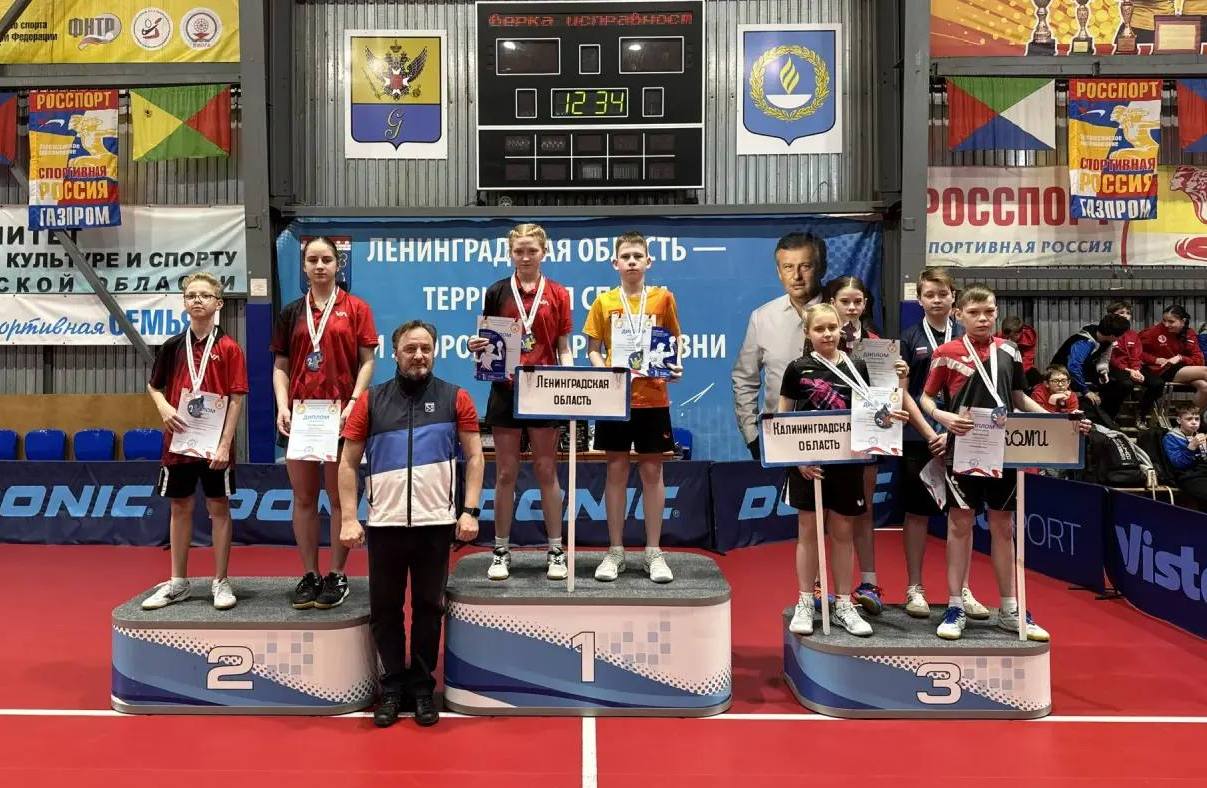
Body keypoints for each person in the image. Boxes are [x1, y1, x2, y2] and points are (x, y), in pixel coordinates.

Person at [921, 284, 1091, 642]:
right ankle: (955, 605)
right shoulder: (945, 352)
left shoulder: (1009, 350)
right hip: (963, 446)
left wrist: (1058, 422)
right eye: (974, 313)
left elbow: (1019, 398)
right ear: (959, 315)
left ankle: (1010, 609)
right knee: (960, 524)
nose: (983, 319)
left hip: (1004, 448)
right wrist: (942, 416)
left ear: (996, 312)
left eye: (989, 312)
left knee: (1003, 526)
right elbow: (926, 398)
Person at [337, 320, 483, 729]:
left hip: (436, 523)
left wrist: (470, 510)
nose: (418, 355)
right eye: (410, 349)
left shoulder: (456, 397)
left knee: (428, 609)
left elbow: (475, 457)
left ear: (434, 352)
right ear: (395, 353)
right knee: (385, 610)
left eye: (425, 349)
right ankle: (391, 688)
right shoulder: (371, 400)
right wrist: (348, 517)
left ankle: (421, 687)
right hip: (384, 524)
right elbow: (347, 463)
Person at [782, 304, 912, 637]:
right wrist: (798, 461)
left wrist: (895, 403)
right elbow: (782, 420)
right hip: (808, 465)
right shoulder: (797, 369)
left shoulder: (857, 366)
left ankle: (842, 603)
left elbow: (872, 412)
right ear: (808, 333)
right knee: (808, 534)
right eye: (819, 329)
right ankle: (805, 601)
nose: (827, 334)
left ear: (842, 329)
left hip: (847, 462)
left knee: (842, 533)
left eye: (832, 327)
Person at [272, 236, 379, 610]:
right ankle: (309, 574)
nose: (320, 266)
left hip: (340, 416)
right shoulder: (291, 313)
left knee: (338, 498)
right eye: (313, 260)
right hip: (301, 417)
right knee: (303, 497)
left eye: (327, 260)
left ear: (337, 264)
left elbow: (367, 361)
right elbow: (281, 366)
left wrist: (355, 402)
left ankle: (336, 574)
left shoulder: (357, 308)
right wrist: (282, 406)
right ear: (304, 266)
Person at [466, 223, 573, 582]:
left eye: (532, 251)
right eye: (519, 251)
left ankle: (555, 550)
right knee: (506, 473)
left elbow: (563, 347)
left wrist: (568, 380)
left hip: (543, 390)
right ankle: (500, 550)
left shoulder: (558, 293)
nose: (525, 257)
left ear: (544, 252)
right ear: (510, 253)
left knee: (546, 471)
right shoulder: (497, 291)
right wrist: (475, 346)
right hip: (505, 389)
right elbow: (488, 342)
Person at [142, 273, 248, 611]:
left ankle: (221, 580)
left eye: (204, 295)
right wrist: (163, 406)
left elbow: (236, 397)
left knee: (218, 507)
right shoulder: (172, 346)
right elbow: (153, 386)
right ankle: (178, 582)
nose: (197, 300)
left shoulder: (229, 348)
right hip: (180, 442)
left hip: (215, 445)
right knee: (179, 507)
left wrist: (225, 444)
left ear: (219, 303)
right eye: (191, 295)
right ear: (184, 303)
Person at [584, 230, 683, 583]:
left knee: (653, 472)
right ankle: (615, 551)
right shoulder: (603, 302)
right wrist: (604, 372)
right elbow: (593, 348)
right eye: (625, 257)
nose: (631, 262)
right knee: (615, 471)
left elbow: (673, 341)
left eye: (637, 256)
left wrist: (674, 366)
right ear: (615, 263)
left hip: (653, 398)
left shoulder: (663, 298)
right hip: (616, 399)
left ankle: (653, 551)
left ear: (648, 261)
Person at [896, 267, 989, 620]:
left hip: (963, 436)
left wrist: (950, 432)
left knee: (962, 515)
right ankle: (915, 587)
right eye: (929, 294)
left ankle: (962, 588)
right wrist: (930, 433)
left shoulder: (967, 338)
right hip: (920, 437)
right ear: (919, 299)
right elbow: (903, 393)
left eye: (943, 294)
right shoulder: (908, 339)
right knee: (917, 513)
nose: (936, 300)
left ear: (954, 298)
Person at [733, 232, 828, 460]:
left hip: (834, 437)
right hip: (778, 438)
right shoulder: (762, 318)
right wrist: (752, 435)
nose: (796, 276)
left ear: (822, 268)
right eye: (788, 267)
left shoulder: (842, 314)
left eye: (805, 266)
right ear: (778, 272)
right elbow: (744, 379)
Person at [823, 275, 885, 615]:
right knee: (824, 511)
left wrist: (899, 374)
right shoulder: (818, 341)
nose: (851, 308)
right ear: (832, 303)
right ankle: (819, 584)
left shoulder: (877, 343)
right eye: (844, 301)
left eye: (857, 302)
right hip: (827, 436)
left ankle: (869, 582)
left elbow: (887, 393)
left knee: (863, 509)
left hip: (866, 435)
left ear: (865, 304)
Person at [1050, 314, 1130, 424]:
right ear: (1112, 335)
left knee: (1122, 383)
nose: (1120, 338)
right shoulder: (1084, 342)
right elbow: (1073, 367)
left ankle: (1107, 419)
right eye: (1120, 335)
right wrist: (1086, 391)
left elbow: (1104, 358)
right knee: (1099, 392)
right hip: (1063, 374)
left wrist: (1103, 372)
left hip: (1084, 370)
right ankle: (1100, 420)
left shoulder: (1106, 340)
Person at [1106, 301, 1164, 424]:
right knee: (1126, 385)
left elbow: (1136, 355)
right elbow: (1111, 358)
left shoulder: (1133, 335)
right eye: (1121, 313)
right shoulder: (1107, 333)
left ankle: (1142, 412)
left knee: (1157, 383)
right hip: (1115, 368)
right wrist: (1128, 370)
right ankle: (1111, 415)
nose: (1125, 315)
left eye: (1128, 313)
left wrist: (1136, 369)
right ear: (1111, 315)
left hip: (1133, 368)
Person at [1140, 305, 1207, 410]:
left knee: (1204, 387)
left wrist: (1181, 358)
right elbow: (1136, 353)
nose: (1166, 325)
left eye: (1171, 322)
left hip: (1184, 369)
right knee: (1205, 371)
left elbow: (1199, 359)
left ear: (1183, 321)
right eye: (1164, 320)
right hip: (1162, 370)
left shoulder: (1189, 333)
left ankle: (1190, 415)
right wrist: (1155, 360)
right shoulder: (1152, 333)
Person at [1161, 402, 1207, 511]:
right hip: (1186, 475)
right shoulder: (1171, 438)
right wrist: (1191, 447)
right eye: (1189, 419)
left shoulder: (1199, 435)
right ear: (1179, 420)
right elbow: (1178, 464)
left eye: (1197, 419)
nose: (1194, 422)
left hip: (1202, 472)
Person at [997, 316, 1040, 388]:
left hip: (1022, 369)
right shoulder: (998, 337)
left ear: (1019, 333)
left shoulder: (1028, 340)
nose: (1009, 340)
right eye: (1007, 337)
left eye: (1012, 337)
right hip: (1005, 369)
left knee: (1035, 377)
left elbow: (1027, 361)